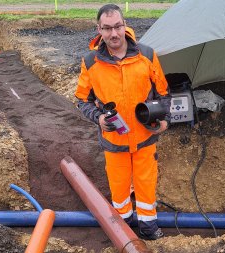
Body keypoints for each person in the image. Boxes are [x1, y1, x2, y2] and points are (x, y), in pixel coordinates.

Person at [75, 4, 171, 240]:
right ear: (99, 29)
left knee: (146, 184)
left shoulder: (146, 55)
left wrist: (164, 119)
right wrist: (98, 118)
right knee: (119, 189)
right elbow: (82, 99)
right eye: (107, 28)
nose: (114, 34)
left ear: (125, 25)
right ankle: (124, 227)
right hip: (114, 140)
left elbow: (164, 93)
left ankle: (148, 227)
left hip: (144, 137)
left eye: (117, 26)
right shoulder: (91, 62)